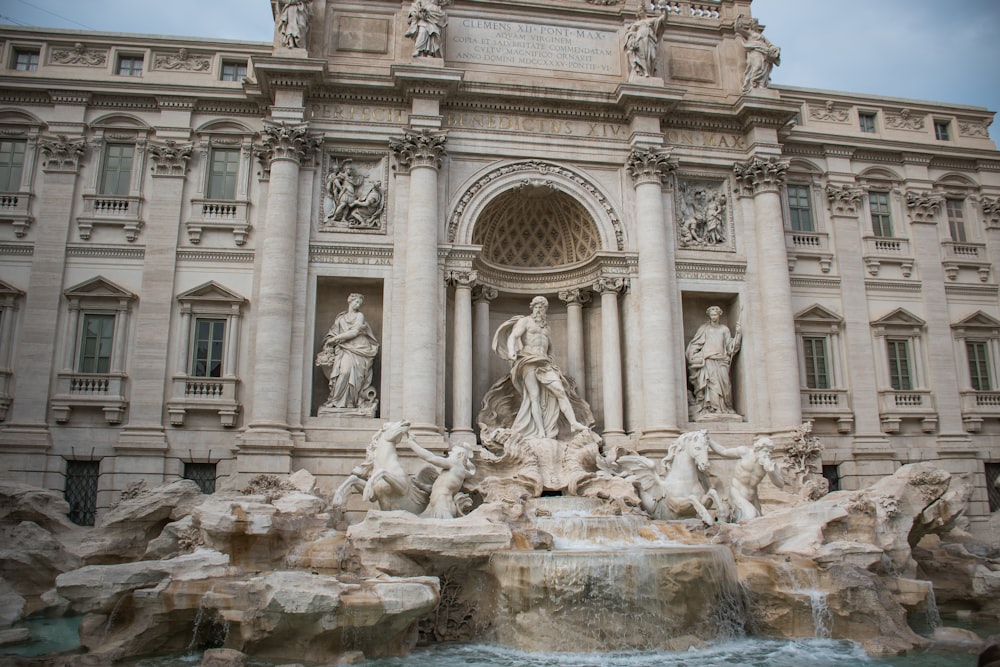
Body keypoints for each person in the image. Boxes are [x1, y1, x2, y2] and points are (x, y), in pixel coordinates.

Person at [491, 296, 589, 439]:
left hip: (544, 362)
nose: (539, 309)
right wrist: (511, 350)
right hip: (528, 360)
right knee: (534, 396)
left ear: (545, 310)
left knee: (560, 390)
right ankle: (540, 431)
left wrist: (553, 364)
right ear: (532, 307)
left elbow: (550, 350)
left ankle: (573, 423)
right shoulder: (525, 321)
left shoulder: (547, 328)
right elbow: (513, 336)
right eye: (537, 306)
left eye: (542, 307)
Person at [316, 293, 379, 409]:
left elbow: (354, 332)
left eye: (360, 303)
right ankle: (336, 401)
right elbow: (332, 333)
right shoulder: (340, 318)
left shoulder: (360, 315)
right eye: (356, 302)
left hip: (358, 348)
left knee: (352, 375)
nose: (358, 304)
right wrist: (330, 340)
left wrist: (335, 339)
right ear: (350, 301)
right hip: (344, 349)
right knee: (344, 372)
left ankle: (351, 401)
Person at [709, 435, 784, 521]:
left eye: (770, 452)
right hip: (736, 493)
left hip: (752, 497)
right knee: (750, 516)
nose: (768, 454)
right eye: (766, 451)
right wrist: (709, 440)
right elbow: (723, 451)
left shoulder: (769, 464)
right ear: (758, 449)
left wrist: (771, 472)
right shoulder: (745, 452)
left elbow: (780, 484)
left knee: (758, 520)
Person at [686, 305, 741, 418]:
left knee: (725, 384)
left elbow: (730, 346)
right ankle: (714, 408)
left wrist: (738, 335)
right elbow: (696, 343)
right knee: (712, 384)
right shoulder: (704, 328)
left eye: (715, 314)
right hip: (708, 360)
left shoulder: (724, 329)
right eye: (711, 315)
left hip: (722, 360)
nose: (713, 317)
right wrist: (693, 356)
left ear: (719, 315)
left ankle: (725, 407)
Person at [406, 438, 476, 519]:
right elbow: (438, 488)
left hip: (443, 505)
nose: (449, 453)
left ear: (460, 455)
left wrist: (412, 443)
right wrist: (420, 485)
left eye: (452, 452)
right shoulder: (455, 470)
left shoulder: (455, 464)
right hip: (440, 505)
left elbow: (430, 458)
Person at [735, 15, 780, 94]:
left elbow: (769, 44)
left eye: (756, 24)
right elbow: (738, 29)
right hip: (755, 51)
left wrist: (775, 48)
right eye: (754, 24)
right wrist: (738, 19)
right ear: (751, 25)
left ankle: (761, 85)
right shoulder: (749, 33)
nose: (755, 25)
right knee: (758, 66)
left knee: (764, 68)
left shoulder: (761, 36)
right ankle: (753, 83)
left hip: (764, 51)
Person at [623, 6, 668, 78]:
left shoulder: (651, 20)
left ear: (645, 11)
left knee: (652, 56)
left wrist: (665, 10)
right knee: (641, 56)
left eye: (641, 10)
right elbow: (629, 33)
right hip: (640, 39)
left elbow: (662, 20)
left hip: (649, 39)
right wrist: (632, 40)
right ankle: (644, 72)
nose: (640, 12)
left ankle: (650, 72)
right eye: (639, 11)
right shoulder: (636, 24)